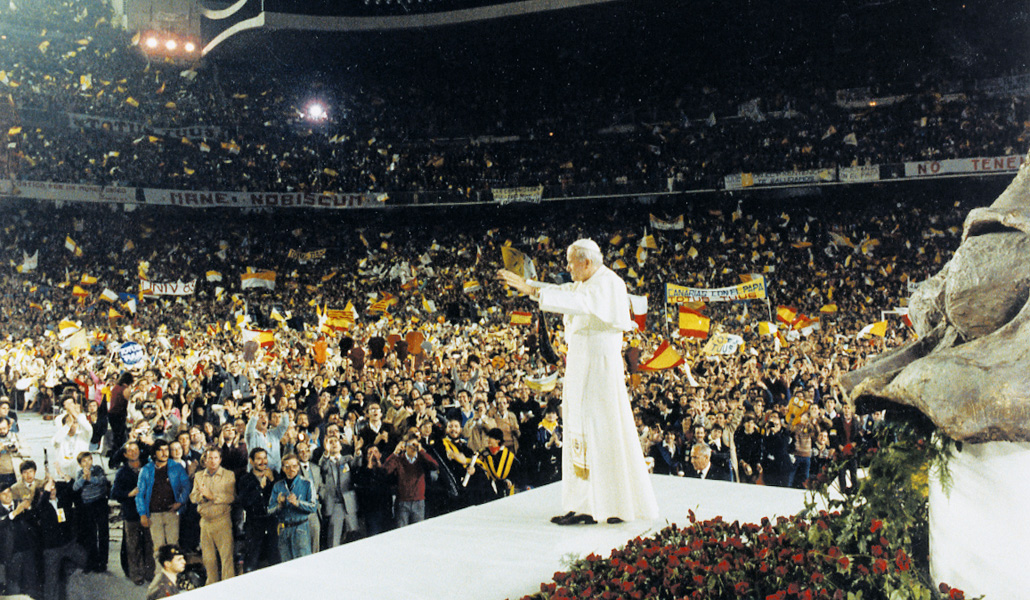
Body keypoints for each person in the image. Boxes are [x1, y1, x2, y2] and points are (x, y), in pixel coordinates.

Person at [498, 238, 658, 525]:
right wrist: (531, 288)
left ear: (586, 262)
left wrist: (536, 291)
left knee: (603, 429)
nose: (568, 267)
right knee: (577, 429)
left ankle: (615, 505)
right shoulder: (587, 282)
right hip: (581, 366)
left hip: (599, 367)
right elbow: (565, 291)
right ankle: (582, 504)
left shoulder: (609, 283)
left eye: (571, 262)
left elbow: (578, 302)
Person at [136, 440, 191, 560]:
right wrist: (142, 514)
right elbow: (139, 493)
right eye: (160, 450)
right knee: (158, 548)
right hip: (154, 514)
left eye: (166, 450)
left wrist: (180, 502)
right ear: (154, 453)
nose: (164, 453)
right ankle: (161, 575)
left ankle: (174, 576)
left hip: (171, 513)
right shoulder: (146, 470)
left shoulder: (176, 467)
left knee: (173, 546)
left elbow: (186, 486)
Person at [189, 447, 235, 585]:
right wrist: (203, 497)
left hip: (222, 521)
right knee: (208, 559)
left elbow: (231, 497)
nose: (213, 461)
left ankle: (229, 588)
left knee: (226, 558)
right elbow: (192, 497)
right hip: (205, 522)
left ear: (220, 459)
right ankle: (211, 587)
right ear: (205, 460)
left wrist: (213, 496)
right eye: (210, 458)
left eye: (216, 458)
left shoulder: (229, 475)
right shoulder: (199, 476)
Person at [111, 442, 154, 586]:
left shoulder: (148, 467)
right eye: (130, 451)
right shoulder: (122, 473)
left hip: (148, 513)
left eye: (136, 449)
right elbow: (115, 493)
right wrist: (129, 494)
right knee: (133, 546)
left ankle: (150, 573)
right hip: (131, 514)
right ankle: (136, 574)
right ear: (125, 455)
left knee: (149, 544)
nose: (134, 452)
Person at [267, 454, 316, 562]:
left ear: (298, 467)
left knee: (303, 562)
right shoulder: (278, 486)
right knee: (286, 564)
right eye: (287, 466)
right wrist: (279, 505)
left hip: (300, 529)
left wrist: (297, 503)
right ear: (283, 468)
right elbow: (269, 510)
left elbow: (313, 507)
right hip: (284, 530)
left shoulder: (307, 484)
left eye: (294, 466)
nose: (291, 469)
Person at [237, 448, 279, 572]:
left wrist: (272, 481)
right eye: (259, 459)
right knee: (252, 562)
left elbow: (282, 495)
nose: (263, 462)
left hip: (272, 525)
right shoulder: (245, 479)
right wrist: (259, 489)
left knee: (275, 561)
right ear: (251, 461)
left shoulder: (274, 475)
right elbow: (245, 502)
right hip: (254, 526)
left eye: (264, 458)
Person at [71, 451, 109, 573]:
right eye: (84, 461)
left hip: (100, 503)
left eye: (89, 460)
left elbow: (102, 481)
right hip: (87, 506)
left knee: (103, 533)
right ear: (80, 464)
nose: (87, 463)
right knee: (90, 534)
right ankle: (92, 561)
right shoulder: (79, 473)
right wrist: (83, 478)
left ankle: (102, 562)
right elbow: (75, 487)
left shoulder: (97, 469)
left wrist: (90, 478)